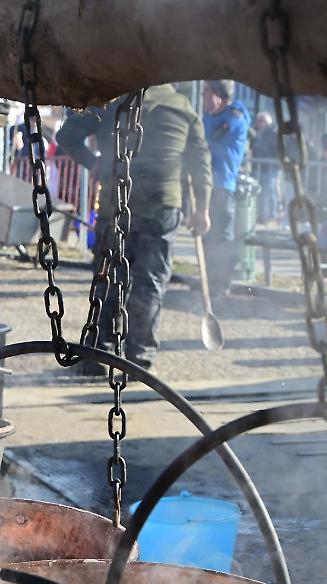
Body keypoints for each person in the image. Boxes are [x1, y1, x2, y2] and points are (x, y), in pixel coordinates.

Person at [58, 84, 213, 373]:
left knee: (108, 278)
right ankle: (139, 356)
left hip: (116, 204)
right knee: (150, 283)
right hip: (162, 208)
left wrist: (94, 163)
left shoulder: (109, 101)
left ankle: (99, 355)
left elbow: (66, 135)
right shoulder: (181, 106)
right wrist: (202, 207)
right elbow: (200, 160)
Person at [201, 79, 250, 296]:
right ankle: (210, 281)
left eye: (206, 93)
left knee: (221, 237)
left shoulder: (234, 116)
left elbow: (208, 144)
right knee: (207, 235)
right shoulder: (208, 117)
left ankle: (222, 284)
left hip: (222, 185)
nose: (202, 98)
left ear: (219, 95)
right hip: (207, 184)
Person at [251, 112, 279, 223]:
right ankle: (261, 214)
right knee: (260, 192)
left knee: (270, 191)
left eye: (263, 121)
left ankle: (272, 215)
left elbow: (276, 150)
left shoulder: (272, 134)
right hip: (257, 167)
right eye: (259, 121)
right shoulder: (255, 133)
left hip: (269, 168)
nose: (260, 123)